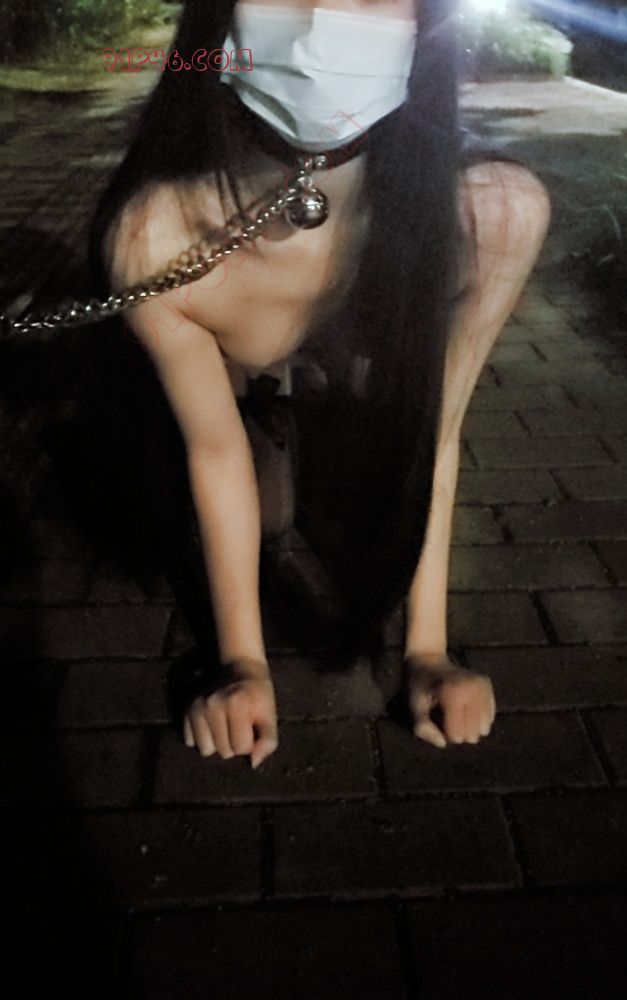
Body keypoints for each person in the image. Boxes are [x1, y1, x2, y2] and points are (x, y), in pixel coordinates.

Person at [86, 0, 551, 769]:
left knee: (355, 483)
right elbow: (213, 450)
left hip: (344, 374)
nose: (318, 22)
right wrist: (242, 663)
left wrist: (426, 651)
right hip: (233, 380)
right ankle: (275, 412)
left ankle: (309, 414)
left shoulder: (487, 218)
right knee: (259, 504)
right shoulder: (154, 233)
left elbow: (431, 428)